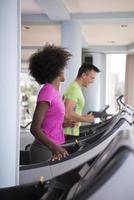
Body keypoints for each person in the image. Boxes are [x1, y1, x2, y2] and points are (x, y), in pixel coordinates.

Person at [28, 44, 75, 163]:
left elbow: (48, 125)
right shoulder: (47, 91)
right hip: (44, 149)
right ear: (56, 69)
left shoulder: (55, 92)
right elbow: (34, 128)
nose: (63, 70)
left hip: (53, 147)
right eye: (62, 67)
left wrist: (65, 124)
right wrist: (54, 147)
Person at [63, 62, 100, 140]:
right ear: (83, 75)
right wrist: (86, 119)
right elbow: (67, 112)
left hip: (72, 132)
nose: (92, 81)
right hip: (69, 133)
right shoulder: (74, 89)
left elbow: (71, 111)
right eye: (92, 78)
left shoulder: (76, 88)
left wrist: (83, 116)